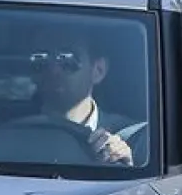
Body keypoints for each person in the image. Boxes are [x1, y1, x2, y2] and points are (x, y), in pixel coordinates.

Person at [28, 30, 135, 164]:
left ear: (98, 70)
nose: (53, 70)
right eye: (41, 60)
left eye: (67, 59)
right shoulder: (12, 135)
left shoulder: (134, 138)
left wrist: (125, 167)